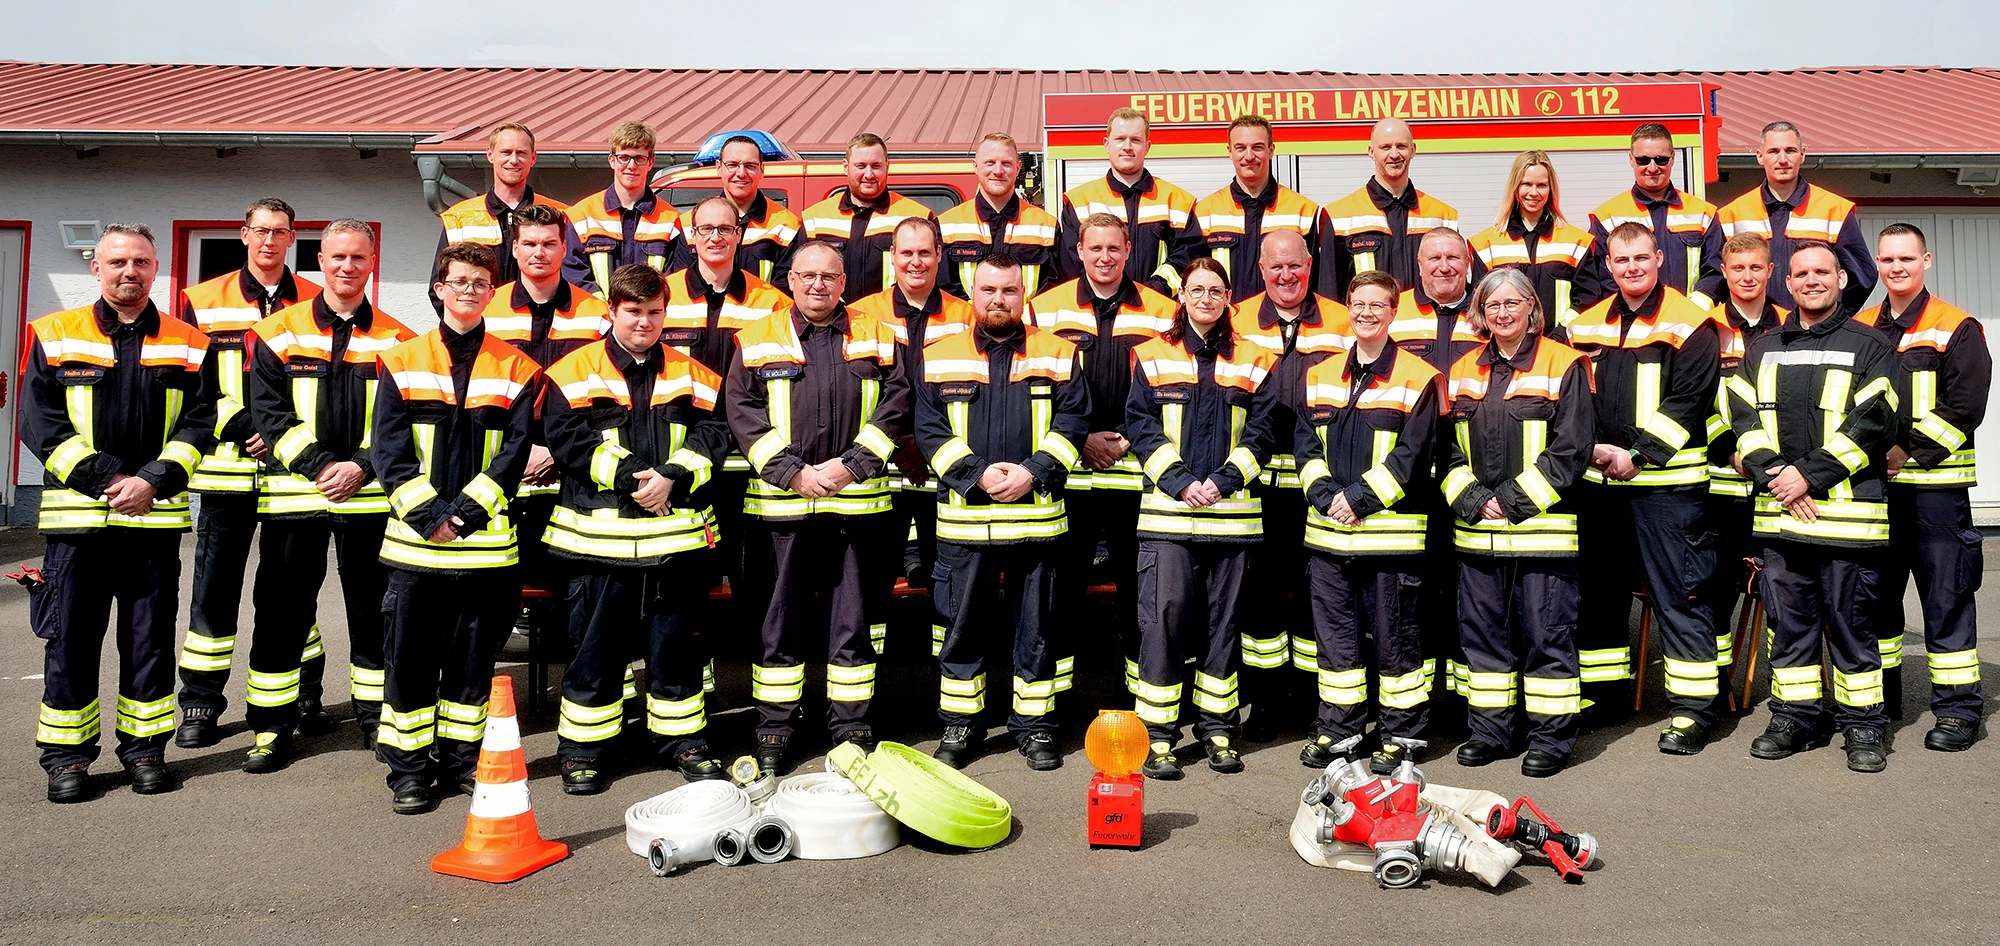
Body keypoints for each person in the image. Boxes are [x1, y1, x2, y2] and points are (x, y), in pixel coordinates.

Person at [25, 223, 213, 802]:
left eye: (140, 262)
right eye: (118, 262)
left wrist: (152, 481)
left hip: (152, 524)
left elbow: (198, 424)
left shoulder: (188, 341)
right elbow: (40, 424)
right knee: (71, 640)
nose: (129, 272)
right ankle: (67, 759)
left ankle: (143, 751)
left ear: (156, 269)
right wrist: (110, 480)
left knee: (149, 641)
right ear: (96, 269)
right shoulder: (54, 333)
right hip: (78, 522)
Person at [542, 264, 733, 791]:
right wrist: (633, 480)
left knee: (675, 650)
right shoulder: (571, 371)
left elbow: (716, 435)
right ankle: (583, 750)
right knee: (594, 652)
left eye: (653, 312)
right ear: (611, 312)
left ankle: (684, 744)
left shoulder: (694, 374)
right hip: (598, 548)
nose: (644, 322)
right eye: (633, 312)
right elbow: (568, 442)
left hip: (674, 547)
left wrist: (672, 476)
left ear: (665, 313)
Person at [727, 241, 911, 775]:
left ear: (843, 282)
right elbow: (742, 413)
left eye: (828, 277)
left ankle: (850, 726)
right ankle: (775, 729)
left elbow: (896, 408)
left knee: (852, 623)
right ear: (791, 280)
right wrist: (792, 473)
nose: (817, 285)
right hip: (781, 512)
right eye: (806, 275)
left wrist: (850, 467)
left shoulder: (878, 337)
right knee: (778, 623)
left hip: (856, 509)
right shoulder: (757, 339)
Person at [370, 243, 541, 814]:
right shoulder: (400, 360)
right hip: (416, 552)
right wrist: (428, 517)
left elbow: (514, 454)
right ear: (438, 287)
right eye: (458, 280)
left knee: (473, 667)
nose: (469, 290)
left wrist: (464, 515)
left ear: (491, 292)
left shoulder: (518, 366)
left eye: (479, 283)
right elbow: (389, 451)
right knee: (410, 666)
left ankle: (461, 761)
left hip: (486, 552)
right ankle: (409, 771)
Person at [243, 219, 416, 770]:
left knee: (374, 615)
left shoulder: (397, 338)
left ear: (372, 263)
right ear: (321, 259)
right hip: (296, 497)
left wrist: (361, 467)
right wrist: (322, 467)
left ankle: (376, 716)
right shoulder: (278, 331)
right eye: (337, 257)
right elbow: (270, 414)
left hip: (368, 504)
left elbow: (398, 422)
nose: (347, 267)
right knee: (280, 613)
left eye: (358, 258)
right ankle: (272, 727)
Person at [1728, 240, 1898, 773]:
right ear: (1790, 282)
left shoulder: (1870, 346)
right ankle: (1795, 716)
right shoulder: (1763, 348)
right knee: (1790, 624)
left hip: (1849, 520)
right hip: (1782, 519)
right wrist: (1780, 475)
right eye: (1801, 273)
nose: (1811, 280)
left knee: (1852, 626)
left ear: (1842, 279)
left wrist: (1809, 475)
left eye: (1822, 271)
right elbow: (1741, 416)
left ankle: (1863, 723)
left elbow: (1876, 421)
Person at [916, 253, 1089, 771]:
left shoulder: (1057, 353)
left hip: (1037, 524)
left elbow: (1074, 421)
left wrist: (1034, 472)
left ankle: (1035, 728)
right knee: (961, 628)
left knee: (1037, 629)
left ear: (1023, 294)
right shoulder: (938, 353)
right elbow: (928, 428)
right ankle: (960, 726)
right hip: (966, 523)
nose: (998, 300)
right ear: (974, 294)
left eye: (1009, 291)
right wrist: (975, 475)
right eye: (989, 290)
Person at [174, 197, 332, 751]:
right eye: (260, 231)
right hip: (227, 472)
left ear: (294, 239)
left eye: (280, 232)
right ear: (243, 235)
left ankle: (302, 692)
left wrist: (285, 435)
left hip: (294, 476)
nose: (269, 241)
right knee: (214, 592)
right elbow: (191, 382)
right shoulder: (203, 300)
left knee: (293, 593)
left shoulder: (318, 299)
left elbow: (330, 388)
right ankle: (199, 701)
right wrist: (245, 425)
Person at [1567, 222, 1723, 750]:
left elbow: (1690, 399)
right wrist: (1590, 450)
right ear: (1607, 266)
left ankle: (1695, 710)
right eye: (1620, 260)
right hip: (1598, 485)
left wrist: (1636, 454)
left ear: (1660, 258)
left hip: (1668, 490)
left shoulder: (1691, 321)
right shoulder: (1583, 325)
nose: (1631, 268)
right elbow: (1571, 400)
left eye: (1640, 258)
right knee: (1600, 597)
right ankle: (1604, 697)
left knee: (1679, 593)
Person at [1125, 258, 1278, 778]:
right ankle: (1159, 738)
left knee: (1223, 629)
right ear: (1183, 296)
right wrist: (1182, 482)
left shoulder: (1257, 360)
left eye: (1216, 290)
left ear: (1229, 297)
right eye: (1197, 290)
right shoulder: (1151, 355)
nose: (1206, 298)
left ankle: (1218, 730)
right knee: (1164, 627)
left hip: (1231, 520)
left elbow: (1264, 432)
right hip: (1169, 518)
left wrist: (1224, 481)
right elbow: (1142, 428)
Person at [1441, 268, 1596, 778]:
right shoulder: (1462, 369)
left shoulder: (1563, 362)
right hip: (1476, 534)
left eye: (1512, 304)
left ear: (1533, 307)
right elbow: (1444, 451)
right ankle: (1491, 731)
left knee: (1546, 636)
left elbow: (1571, 450)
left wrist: (1507, 501)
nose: (1503, 314)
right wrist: (1472, 499)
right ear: (1481, 314)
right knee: (1483, 637)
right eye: (1493, 306)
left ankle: (1551, 738)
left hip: (1541, 533)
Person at [1295, 270, 1445, 772]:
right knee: (1335, 642)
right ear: (1348, 309)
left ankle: (1402, 737)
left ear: (1393, 311)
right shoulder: (1318, 375)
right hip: (1328, 538)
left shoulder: (1419, 377)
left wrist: (1357, 500)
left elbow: (1414, 455)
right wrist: (1323, 495)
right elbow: (1305, 446)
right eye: (1358, 304)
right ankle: (1339, 730)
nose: (1366, 314)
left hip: (1390, 540)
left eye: (1377, 306)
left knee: (1396, 642)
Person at [1027, 212, 1176, 698]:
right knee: (1061, 591)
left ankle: (1135, 698)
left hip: (1137, 474)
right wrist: (1082, 436)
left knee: (1140, 593)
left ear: (1130, 251)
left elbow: (1169, 383)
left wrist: (1135, 434)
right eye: (1095, 249)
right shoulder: (1044, 308)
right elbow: (1035, 385)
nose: (1105, 258)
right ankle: (1059, 699)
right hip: (1069, 472)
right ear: (1080, 251)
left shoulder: (1160, 308)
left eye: (1114, 249)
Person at [1854, 223, 1988, 750]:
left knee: (1946, 600)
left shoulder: (1956, 326)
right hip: (1874, 493)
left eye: (1905, 259)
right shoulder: (1860, 325)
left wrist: (1905, 450)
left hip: (1935, 493)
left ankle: (1957, 712)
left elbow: (1964, 405)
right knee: (1877, 603)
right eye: (1886, 260)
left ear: (1926, 261)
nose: (1895, 268)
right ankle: (1882, 704)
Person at [1230, 229, 1352, 737]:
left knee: (1314, 595)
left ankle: (1308, 697)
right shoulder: (1235, 320)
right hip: (1256, 482)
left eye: (1295, 266)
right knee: (1259, 595)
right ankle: (1264, 700)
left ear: (1310, 266)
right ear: (1261, 270)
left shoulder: (1342, 321)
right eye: (1275, 267)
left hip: (1317, 481)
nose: (1286, 276)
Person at [479, 202, 610, 599]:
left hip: (573, 461)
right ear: (514, 248)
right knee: (500, 580)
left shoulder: (597, 315)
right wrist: (516, 452)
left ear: (564, 249)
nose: (540, 252)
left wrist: (557, 450)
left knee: (572, 581)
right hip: (502, 458)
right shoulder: (487, 308)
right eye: (530, 243)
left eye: (550, 243)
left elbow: (607, 397)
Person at [850, 217, 976, 595]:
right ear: (893, 256)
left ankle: (944, 652)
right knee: (872, 573)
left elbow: (973, 389)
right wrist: (897, 442)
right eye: (906, 253)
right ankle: (870, 652)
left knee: (948, 572)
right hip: (880, 465)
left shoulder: (966, 316)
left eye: (925, 252)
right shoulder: (862, 315)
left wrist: (923, 445)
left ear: (940, 255)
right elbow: (857, 392)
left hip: (943, 461)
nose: (915, 261)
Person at [1390, 228, 1483, 707]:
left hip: (1473, 471)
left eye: (1453, 256)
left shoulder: (1488, 310)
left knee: (1469, 590)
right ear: (1419, 264)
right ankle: (1420, 698)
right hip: (1410, 478)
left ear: (1467, 261)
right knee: (1414, 591)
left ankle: (1467, 701)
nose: (1444, 266)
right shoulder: (1395, 313)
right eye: (1434, 258)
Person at [1697, 233, 1788, 708]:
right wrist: (1730, 449)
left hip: (1782, 489)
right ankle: (1715, 687)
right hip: (1725, 485)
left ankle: (1785, 690)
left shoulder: (1793, 326)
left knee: (1784, 593)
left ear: (1770, 271)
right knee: (1719, 591)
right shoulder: (1705, 329)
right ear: (1725, 273)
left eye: (1756, 268)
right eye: (1738, 269)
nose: (1747, 277)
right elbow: (1698, 401)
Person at [1718, 122, 1877, 311]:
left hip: (1815, 332)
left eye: (1790, 150)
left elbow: (1862, 276)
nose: (1783, 159)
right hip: (1755, 331)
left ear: (1803, 155)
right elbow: (1719, 277)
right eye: (1774, 151)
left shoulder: (1834, 209)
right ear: (1760, 156)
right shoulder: (1731, 214)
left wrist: (1831, 319)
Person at [1577, 123, 1723, 311]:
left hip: (1691, 322)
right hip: (1631, 323)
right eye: (1643, 160)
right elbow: (1602, 279)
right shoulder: (1607, 217)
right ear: (1631, 159)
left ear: (1672, 158)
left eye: (1660, 160)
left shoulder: (1703, 213)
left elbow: (1716, 270)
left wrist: (1692, 309)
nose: (1652, 168)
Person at [1057, 106, 1200, 294]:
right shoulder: (1079, 201)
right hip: (1097, 310)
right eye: (1120, 139)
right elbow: (1072, 263)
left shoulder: (1176, 201)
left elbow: (1187, 256)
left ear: (1147, 147)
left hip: (1158, 308)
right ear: (1107, 144)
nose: (1127, 146)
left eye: (1135, 140)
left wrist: (1156, 289)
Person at [431, 122, 568, 311]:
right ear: (490, 155)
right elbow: (440, 289)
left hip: (540, 330)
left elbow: (572, 280)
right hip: (482, 332)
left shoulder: (561, 215)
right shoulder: (459, 218)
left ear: (533, 158)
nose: (514, 160)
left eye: (521, 153)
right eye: (506, 152)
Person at [1187, 115, 1325, 300]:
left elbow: (1315, 279)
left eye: (1257, 147)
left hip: (1281, 322)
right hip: (1224, 322)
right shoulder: (1204, 211)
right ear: (1229, 151)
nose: (1249, 156)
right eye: (1241, 148)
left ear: (1271, 150)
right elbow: (1193, 279)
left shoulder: (1303, 210)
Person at [1320, 118, 1460, 299]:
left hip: (1425, 325)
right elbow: (1329, 295)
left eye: (1401, 146)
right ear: (1371, 152)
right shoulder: (1339, 216)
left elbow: (1457, 287)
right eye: (1385, 147)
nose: (1394, 154)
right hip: (1368, 325)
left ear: (1413, 150)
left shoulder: (1443, 216)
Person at [799, 133, 936, 302]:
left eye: (876, 166)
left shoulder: (918, 217)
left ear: (887, 166)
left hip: (892, 323)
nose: (869, 174)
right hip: (833, 323)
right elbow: (795, 280)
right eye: (861, 166)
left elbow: (937, 280)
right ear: (845, 167)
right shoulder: (815, 219)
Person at [1467, 150, 1595, 328]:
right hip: (1507, 349)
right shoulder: (1486, 244)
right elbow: (1480, 303)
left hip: (1560, 348)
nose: (1534, 192)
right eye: (1526, 184)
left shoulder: (1576, 242)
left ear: (1550, 189)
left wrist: (1561, 334)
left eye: (1541, 185)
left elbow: (1588, 299)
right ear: (1515, 186)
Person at [563, 120, 681, 296]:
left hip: (649, 320)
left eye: (640, 158)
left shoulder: (670, 219)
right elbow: (573, 273)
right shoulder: (581, 215)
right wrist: (606, 309)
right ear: (612, 160)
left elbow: (676, 278)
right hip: (598, 318)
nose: (631, 166)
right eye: (624, 157)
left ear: (650, 163)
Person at [668, 134, 800, 286]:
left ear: (762, 170)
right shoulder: (689, 223)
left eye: (750, 166)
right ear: (719, 168)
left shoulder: (786, 225)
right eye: (732, 165)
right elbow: (681, 286)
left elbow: (786, 291)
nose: (741, 173)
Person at [939, 132, 1060, 298]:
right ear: (975, 166)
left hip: (1027, 323)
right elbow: (943, 288)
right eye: (990, 163)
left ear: (1017, 168)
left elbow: (1054, 290)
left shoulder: (1047, 227)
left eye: (1006, 163)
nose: (998, 171)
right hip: (968, 323)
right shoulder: (946, 225)